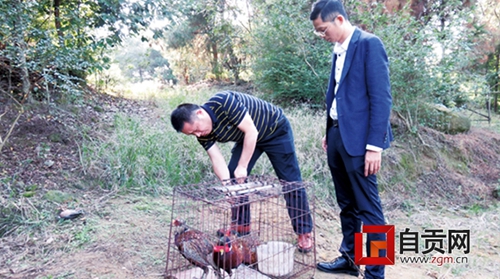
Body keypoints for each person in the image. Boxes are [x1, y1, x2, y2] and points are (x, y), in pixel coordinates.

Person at [310, 0, 393, 278]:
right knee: (346, 204)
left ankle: (375, 272)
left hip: (361, 144)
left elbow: (381, 99)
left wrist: (374, 146)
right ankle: (350, 258)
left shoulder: (369, 44)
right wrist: (330, 129)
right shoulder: (338, 50)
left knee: (369, 208)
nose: (322, 36)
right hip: (336, 136)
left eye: (323, 30)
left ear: (340, 20)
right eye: (318, 32)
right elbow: (338, 95)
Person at [170, 91, 314, 253]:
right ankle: (241, 226)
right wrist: (228, 187)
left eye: (196, 129)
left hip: (274, 130)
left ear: (200, 113)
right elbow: (217, 159)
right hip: (247, 138)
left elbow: (251, 131)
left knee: (290, 181)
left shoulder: (223, 102)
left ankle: (304, 232)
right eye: (192, 134)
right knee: (232, 178)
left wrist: (243, 166)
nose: (197, 134)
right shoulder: (202, 134)